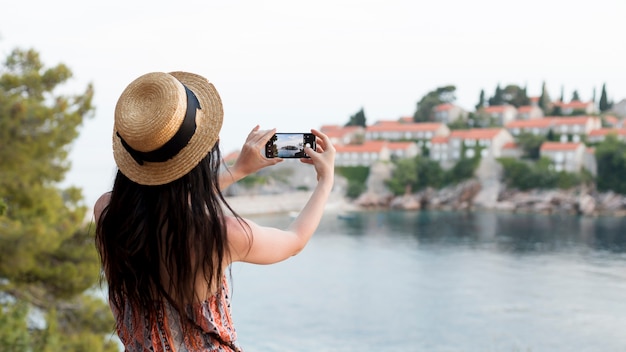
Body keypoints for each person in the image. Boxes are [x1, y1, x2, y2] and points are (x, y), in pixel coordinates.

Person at [94, 71, 335, 351]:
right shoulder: (220, 235)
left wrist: (238, 170)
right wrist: (325, 179)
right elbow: (295, 240)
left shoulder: (107, 212)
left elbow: (162, 199)